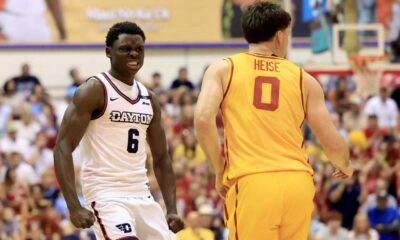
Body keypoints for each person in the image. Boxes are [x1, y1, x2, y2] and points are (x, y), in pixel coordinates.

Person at [194, 2, 353, 239]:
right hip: (297, 183)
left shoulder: (223, 69)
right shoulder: (304, 79)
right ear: (279, 36)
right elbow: (332, 142)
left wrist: (219, 169)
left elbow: (203, 118)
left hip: (253, 181)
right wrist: (344, 165)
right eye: (288, 36)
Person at [54, 21, 184, 239]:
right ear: (108, 52)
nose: (134, 54)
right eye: (125, 49)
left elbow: (162, 157)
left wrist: (171, 208)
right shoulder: (94, 90)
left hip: (141, 193)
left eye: (139, 49)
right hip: (105, 194)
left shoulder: (149, 98)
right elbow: (62, 147)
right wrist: (74, 205)